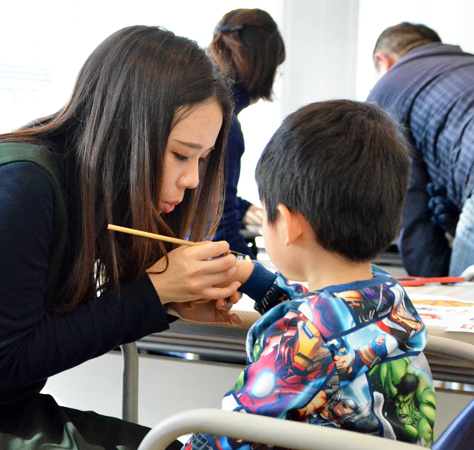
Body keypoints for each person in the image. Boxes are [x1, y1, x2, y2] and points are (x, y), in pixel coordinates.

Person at [0, 26, 246, 450]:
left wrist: (166, 299)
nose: (193, 179)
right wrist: (152, 293)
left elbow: (33, 339)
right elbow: (10, 362)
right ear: (126, 132)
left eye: (203, 158)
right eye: (181, 154)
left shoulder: (78, 188)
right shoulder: (19, 189)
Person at [183, 100, 436, 450]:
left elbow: (230, 433)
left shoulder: (304, 338)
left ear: (288, 224)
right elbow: (325, 315)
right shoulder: (387, 294)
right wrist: (251, 276)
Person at [366, 22, 474, 277]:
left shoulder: (387, 90)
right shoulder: (465, 65)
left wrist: (435, 281)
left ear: (383, 61)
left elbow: (408, 203)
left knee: (463, 306)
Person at [209, 8, 285, 259]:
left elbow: (205, 196)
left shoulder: (210, 112)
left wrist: (243, 209)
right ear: (265, 67)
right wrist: (264, 280)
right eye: (277, 68)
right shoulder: (225, 125)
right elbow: (219, 230)